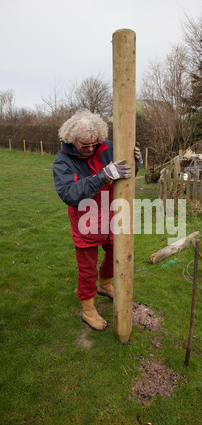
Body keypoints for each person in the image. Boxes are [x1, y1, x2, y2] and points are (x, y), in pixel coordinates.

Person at [53, 109, 141, 331]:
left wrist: (135, 161)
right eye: (85, 145)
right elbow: (70, 194)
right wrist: (102, 176)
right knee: (87, 268)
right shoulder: (63, 162)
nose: (91, 148)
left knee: (116, 253)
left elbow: (126, 174)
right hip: (86, 220)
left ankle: (105, 284)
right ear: (72, 140)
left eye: (95, 143)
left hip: (112, 213)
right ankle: (88, 310)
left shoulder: (108, 147)